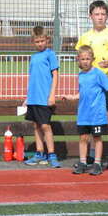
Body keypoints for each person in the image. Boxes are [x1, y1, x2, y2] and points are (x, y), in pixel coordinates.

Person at [75, 0, 108, 168]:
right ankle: (91, 154)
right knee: (91, 116)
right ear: (90, 16)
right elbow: (80, 59)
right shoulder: (85, 37)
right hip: (92, 84)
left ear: (107, 16)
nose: (100, 17)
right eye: (96, 14)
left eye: (103, 14)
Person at [66, 46, 108, 176]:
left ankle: (97, 163)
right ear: (78, 60)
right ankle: (83, 162)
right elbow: (82, 93)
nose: (85, 61)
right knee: (83, 138)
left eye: (88, 59)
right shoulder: (81, 75)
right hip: (84, 114)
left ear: (92, 59)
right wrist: (73, 97)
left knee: (97, 138)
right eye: (83, 59)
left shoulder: (98, 73)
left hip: (96, 114)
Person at [22, 25, 61, 168]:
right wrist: (28, 98)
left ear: (47, 40)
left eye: (42, 41)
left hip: (44, 98)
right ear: (33, 42)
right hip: (33, 98)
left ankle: (52, 154)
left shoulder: (50, 55)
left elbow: (55, 75)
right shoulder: (33, 57)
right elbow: (33, 78)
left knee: (45, 126)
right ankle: (39, 153)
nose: (40, 44)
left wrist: (52, 95)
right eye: (37, 41)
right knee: (36, 125)